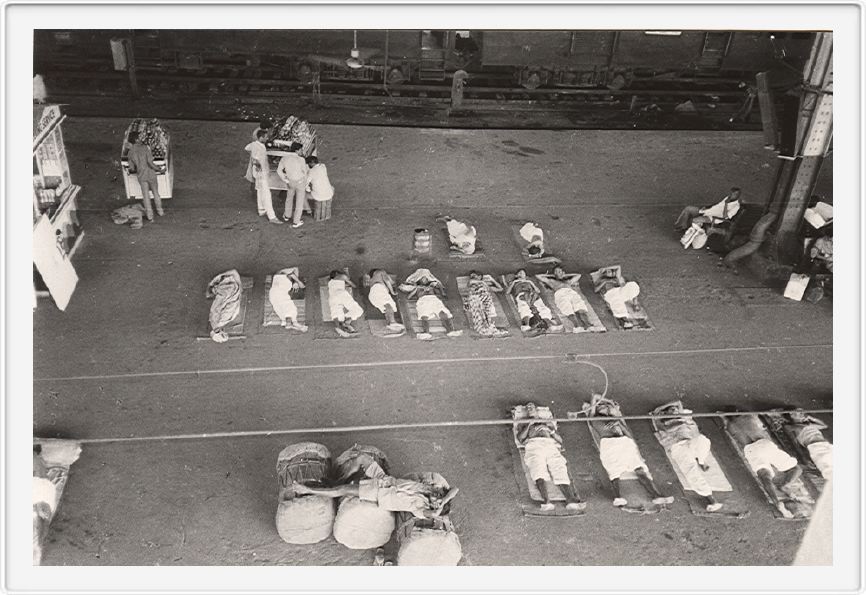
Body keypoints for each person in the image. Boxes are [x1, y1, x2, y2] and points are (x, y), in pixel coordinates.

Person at [293, 454, 459, 520]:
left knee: (343, 491)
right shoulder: (429, 488)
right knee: (361, 458)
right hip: (385, 479)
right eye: (439, 493)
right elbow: (455, 490)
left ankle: (307, 490)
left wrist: (440, 506)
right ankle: (337, 480)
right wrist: (444, 498)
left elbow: (434, 513)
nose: (437, 491)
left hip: (379, 492)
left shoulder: (420, 509)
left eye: (437, 496)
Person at [585, 395, 674, 508]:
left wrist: (619, 423)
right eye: (601, 406)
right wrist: (607, 401)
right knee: (614, 472)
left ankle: (657, 495)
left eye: (606, 407)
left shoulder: (614, 420)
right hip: (610, 445)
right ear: (596, 408)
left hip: (625, 444)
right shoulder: (594, 418)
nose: (604, 408)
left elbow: (629, 435)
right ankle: (618, 497)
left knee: (640, 470)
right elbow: (595, 396)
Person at [726, 411, 803, 518]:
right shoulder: (743, 420)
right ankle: (783, 492)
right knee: (792, 469)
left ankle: (778, 501)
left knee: (765, 476)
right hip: (759, 446)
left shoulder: (732, 425)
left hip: (753, 447)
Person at [652, 401, 723, 512]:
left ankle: (701, 461)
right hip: (677, 447)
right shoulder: (661, 421)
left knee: (703, 440)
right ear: (665, 413)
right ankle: (711, 499)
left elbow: (678, 402)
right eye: (672, 410)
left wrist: (674, 411)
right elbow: (666, 428)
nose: (675, 410)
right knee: (691, 470)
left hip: (688, 442)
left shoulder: (681, 416)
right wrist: (664, 412)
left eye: (676, 410)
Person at [516, 402, 586, 512]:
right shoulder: (523, 422)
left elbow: (560, 440)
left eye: (532, 407)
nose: (530, 408)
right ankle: (546, 501)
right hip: (534, 445)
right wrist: (530, 424)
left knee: (560, 469)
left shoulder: (547, 422)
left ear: (536, 410)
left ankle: (570, 500)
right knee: (538, 471)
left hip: (550, 445)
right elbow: (520, 438)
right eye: (528, 407)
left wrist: (550, 430)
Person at [400, 269, 462, 339]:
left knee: (443, 313)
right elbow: (409, 297)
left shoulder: (431, 287)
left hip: (434, 300)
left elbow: (441, 291)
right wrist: (417, 289)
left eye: (426, 279)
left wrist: (439, 289)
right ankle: (426, 332)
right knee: (424, 315)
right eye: (422, 279)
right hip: (423, 301)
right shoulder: (417, 288)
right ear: (419, 280)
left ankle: (450, 331)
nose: (424, 280)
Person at [772, 409, 832, 480]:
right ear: (791, 417)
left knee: (829, 465)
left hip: (825, 445)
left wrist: (810, 417)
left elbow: (824, 426)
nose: (802, 414)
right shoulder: (793, 427)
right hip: (816, 447)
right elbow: (790, 429)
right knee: (827, 466)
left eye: (801, 413)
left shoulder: (806, 424)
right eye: (798, 413)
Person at [537, 267, 593, 332]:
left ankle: (588, 325)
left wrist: (565, 275)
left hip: (571, 293)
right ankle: (577, 326)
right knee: (568, 310)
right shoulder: (552, 281)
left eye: (560, 271)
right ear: (554, 273)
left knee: (581, 308)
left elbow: (578, 275)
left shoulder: (568, 281)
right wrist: (552, 275)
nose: (558, 273)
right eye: (556, 272)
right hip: (560, 294)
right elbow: (538, 276)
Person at [245, 129, 282, 224]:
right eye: (265, 137)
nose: (267, 138)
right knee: (266, 193)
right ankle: (272, 216)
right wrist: (260, 167)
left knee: (260, 190)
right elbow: (255, 160)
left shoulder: (254, 144)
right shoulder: (260, 147)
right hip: (261, 173)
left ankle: (261, 210)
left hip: (258, 173)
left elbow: (247, 148)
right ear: (261, 137)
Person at [126, 131, 165, 222]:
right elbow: (151, 163)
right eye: (139, 137)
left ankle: (150, 216)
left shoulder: (130, 153)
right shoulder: (145, 148)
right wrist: (159, 169)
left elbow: (131, 168)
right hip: (151, 174)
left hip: (141, 176)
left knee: (146, 196)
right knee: (156, 193)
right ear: (136, 140)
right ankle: (160, 211)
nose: (141, 138)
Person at [675, 187, 742, 232]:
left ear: (738, 196)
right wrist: (707, 207)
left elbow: (725, 216)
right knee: (688, 209)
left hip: (714, 218)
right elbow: (718, 205)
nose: (732, 195)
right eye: (731, 193)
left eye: (734, 194)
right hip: (708, 211)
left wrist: (726, 204)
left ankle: (690, 233)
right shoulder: (728, 198)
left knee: (694, 220)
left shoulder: (736, 206)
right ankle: (681, 226)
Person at [465, 272, 507, 337]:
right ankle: (485, 326)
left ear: (480, 276)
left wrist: (492, 280)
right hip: (476, 297)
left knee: (486, 313)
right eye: (471, 276)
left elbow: (500, 289)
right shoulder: (471, 282)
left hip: (485, 298)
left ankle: (487, 326)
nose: (472, 277)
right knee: (479, 311)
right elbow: (470, 290)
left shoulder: (485, 285)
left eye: (475, 275)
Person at [277, 142, 309, 228]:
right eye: (301, 150)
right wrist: (305, 182)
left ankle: (287, 216)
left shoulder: (285, 158)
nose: (301, 151)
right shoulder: (301, 160)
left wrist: (285, 180)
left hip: (290, 181)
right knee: (299, 201)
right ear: (297, 150)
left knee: (289, 198)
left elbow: (279, 171)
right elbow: (305, 172)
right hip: (300, 182)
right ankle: (296, 221)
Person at [268, 267, 307, 332]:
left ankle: (294, 279)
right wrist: (297, 281)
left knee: (282, 273)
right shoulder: (293, 314)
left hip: (275, 295)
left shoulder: (283, 317)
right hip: (279, 292)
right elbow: (292, 324)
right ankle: (295, 279)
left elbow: (288, 326)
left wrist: (297, 281)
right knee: (287, 273)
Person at [327, 269, 363, 337]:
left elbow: (347, 282)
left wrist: (346, 281)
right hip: (341, 293)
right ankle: (347, 322)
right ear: (337, 274)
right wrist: (346, 272)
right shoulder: (341, 276)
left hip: (332, 296)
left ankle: (341, 326)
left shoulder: (330, 283)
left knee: (336, 313)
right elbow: (353, 285)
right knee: (358, 310)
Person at [244, 119, 273, 196]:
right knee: (255, 174)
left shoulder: (259, 130)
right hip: (256, 156)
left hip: (256, 155)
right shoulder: (257, 134)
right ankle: (254, 191)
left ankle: (254, 189)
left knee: (254, 173)